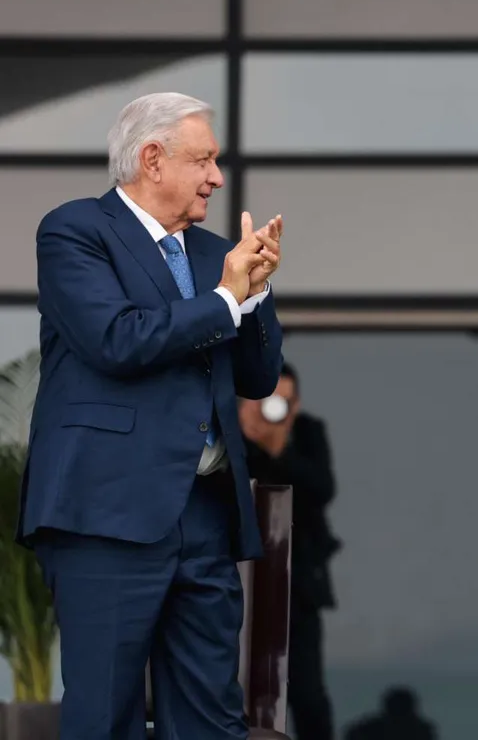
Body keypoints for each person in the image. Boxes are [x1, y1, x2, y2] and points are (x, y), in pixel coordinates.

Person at [18, 92, 285, 740]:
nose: (216, 178)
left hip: (204, 515)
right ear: (152, 159)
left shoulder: (215, 251)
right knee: (104, 716)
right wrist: (225, 298)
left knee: (210, 720)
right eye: (204, 160)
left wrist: (256, 296)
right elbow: (117, 338)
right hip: (106, 512)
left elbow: (257, 378)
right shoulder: (75, 232)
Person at [239, 362, 340, 740]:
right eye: (267, 400)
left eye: (286, 401)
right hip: (238, 581)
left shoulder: (307, 433)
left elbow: (322, 488)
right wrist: (249, 435)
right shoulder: (227, 434)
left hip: (298, 586)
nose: (275, 410)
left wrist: (279, 449)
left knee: (307, 692)